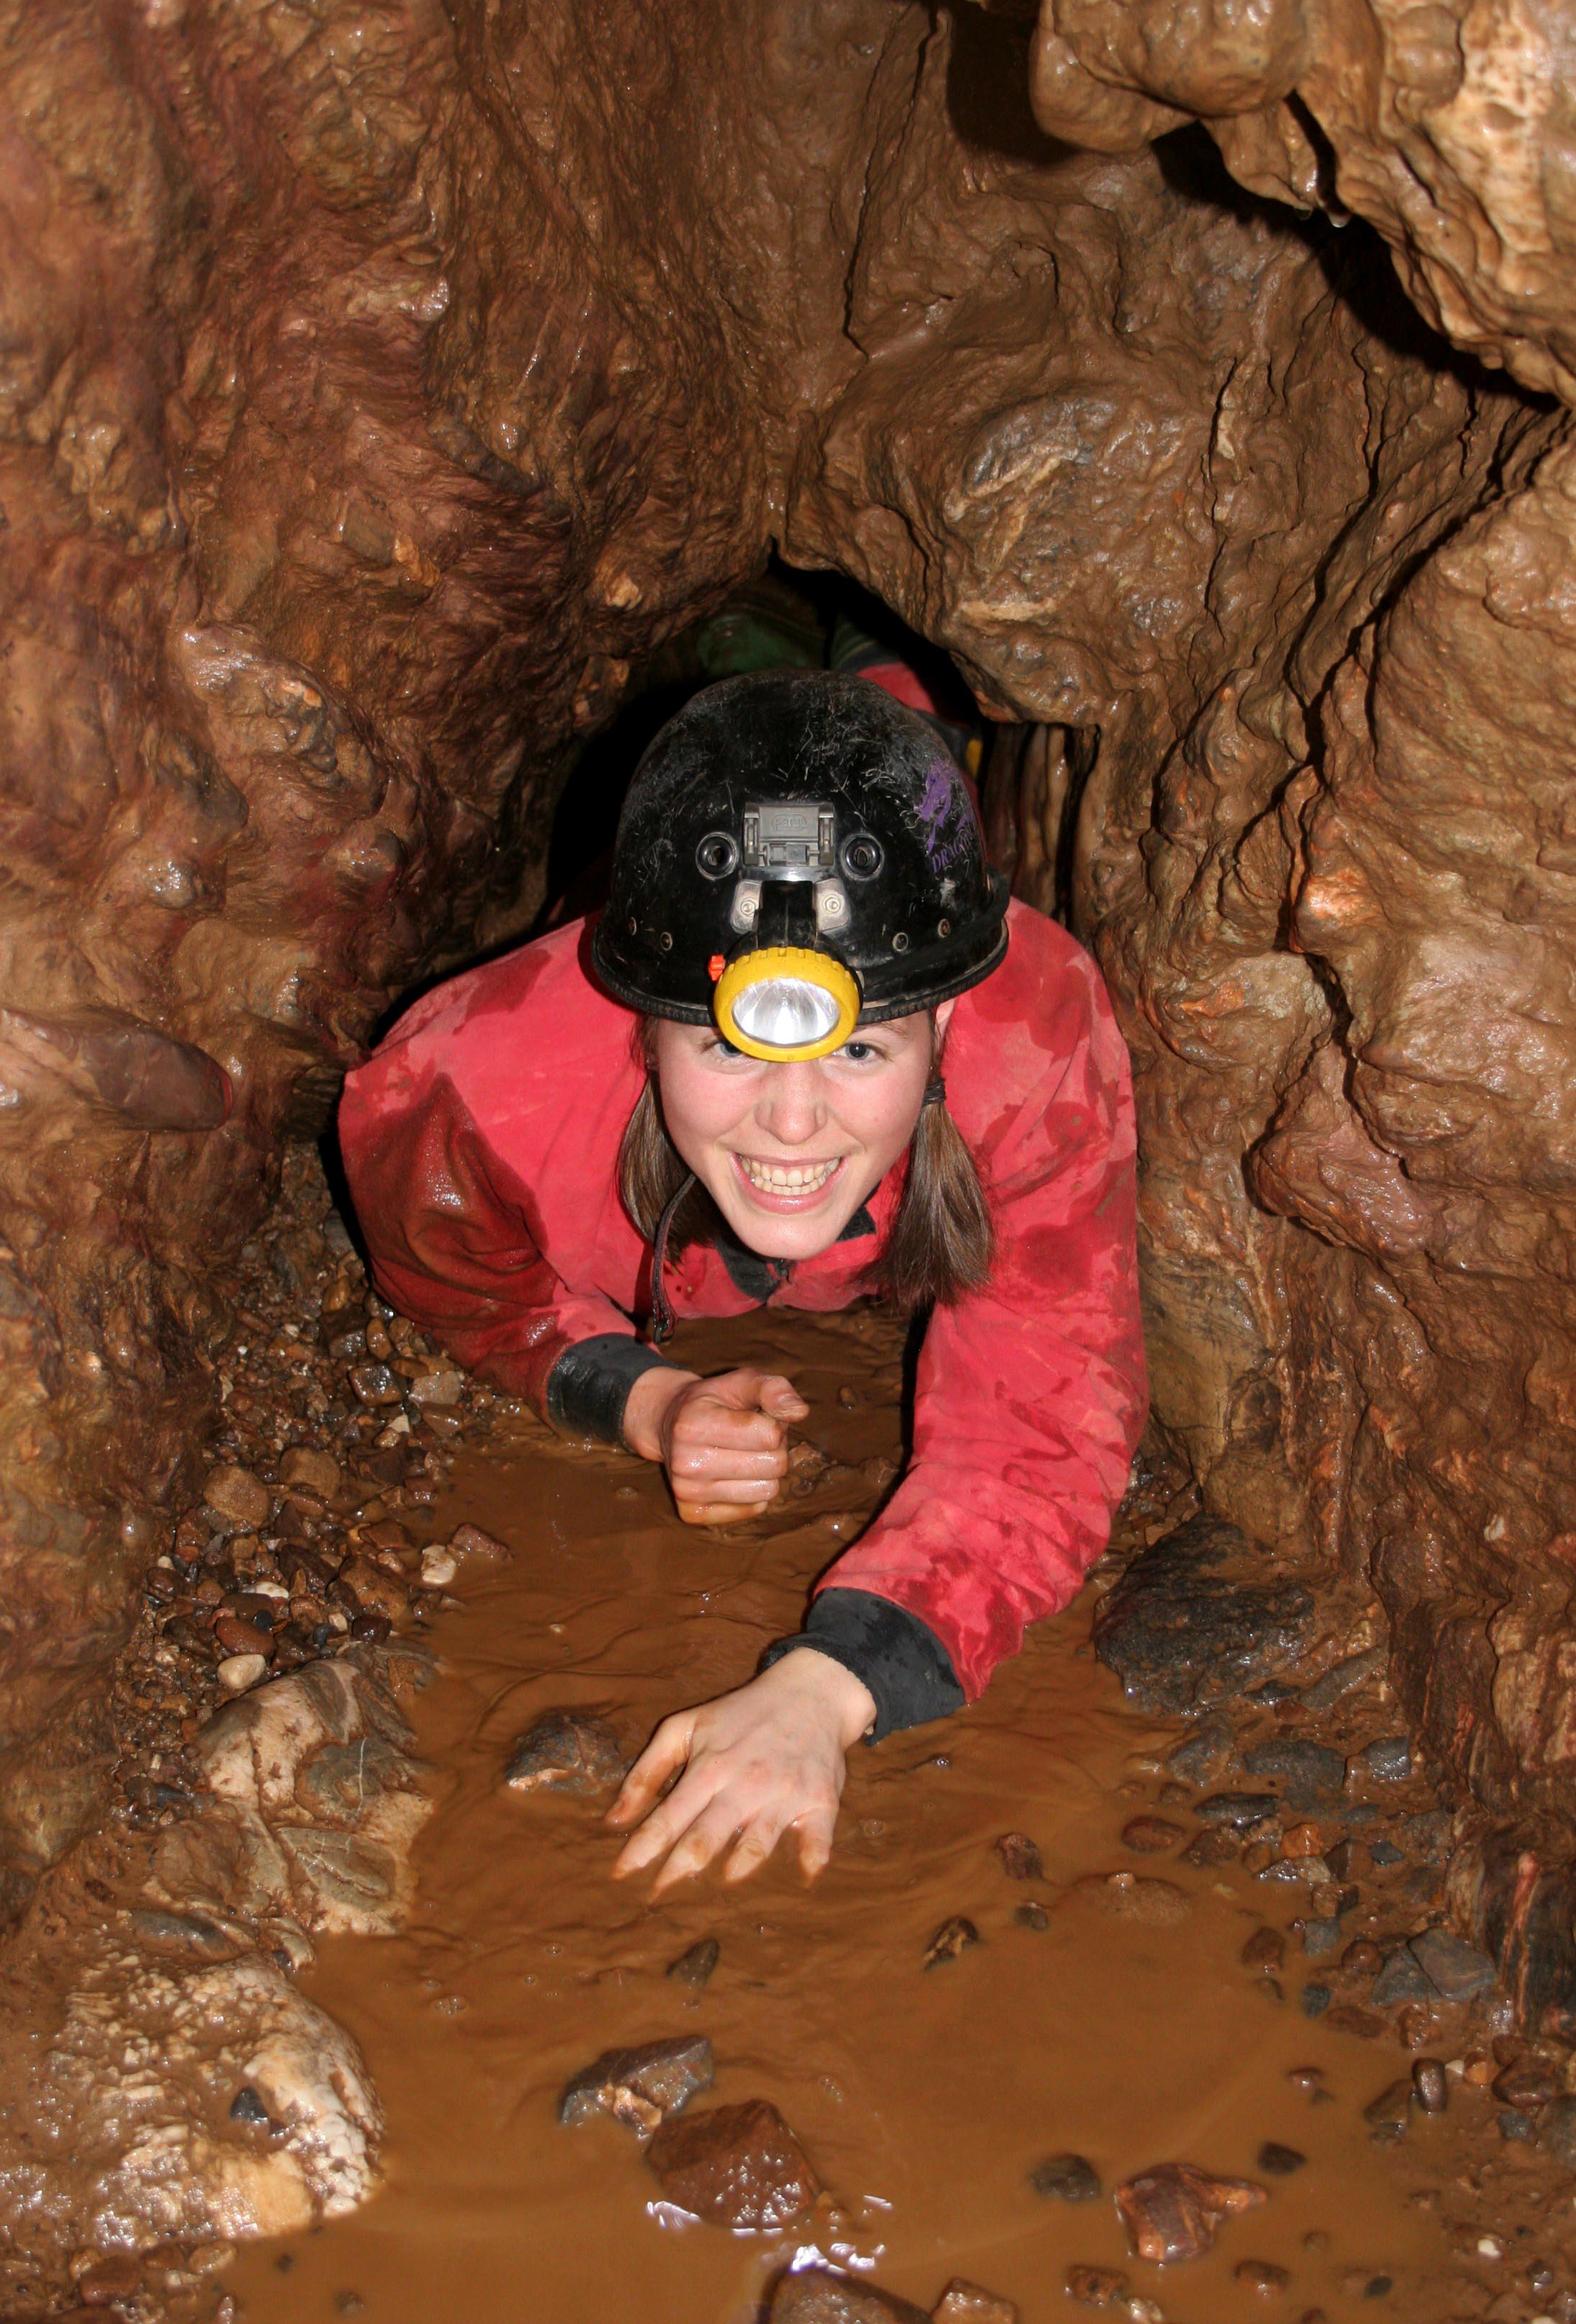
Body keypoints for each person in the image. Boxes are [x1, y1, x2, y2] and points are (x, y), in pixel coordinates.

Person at [339, 669, 1147, 1891]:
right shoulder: (466, 1090)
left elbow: (1043, 1412)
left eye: (863, 1045)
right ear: (641, 1025)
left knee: (889, 686)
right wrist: (639, 1396)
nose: (790, 1122)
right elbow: (469, 1287)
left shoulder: (1033, 1037)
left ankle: (891, 670)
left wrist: (831, 1686)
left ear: (944, 1027)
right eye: (725, 1043)